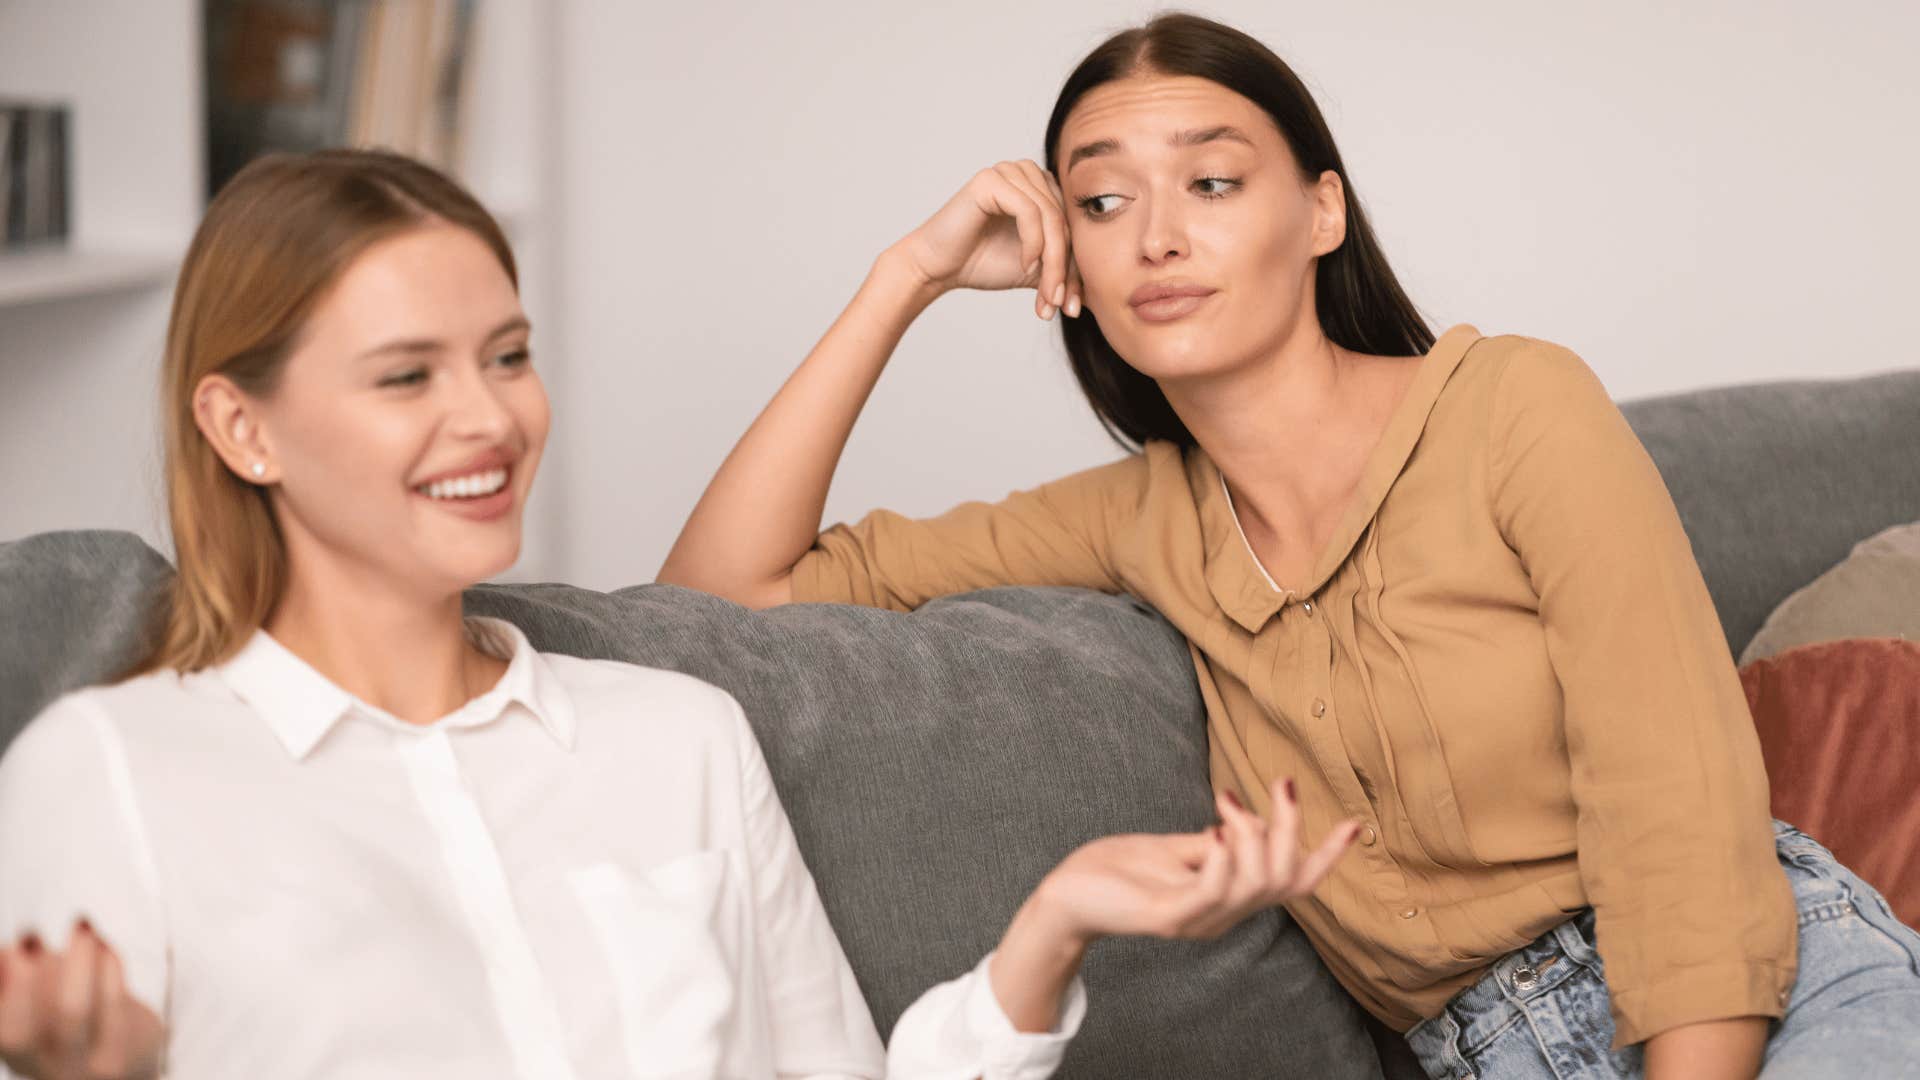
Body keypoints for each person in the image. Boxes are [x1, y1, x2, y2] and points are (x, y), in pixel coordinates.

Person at [658, 13, 1920, 1079]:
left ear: (1321, 212)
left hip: (1765, 997)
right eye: (1103, 201)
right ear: (1073, 265)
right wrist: (906, 278)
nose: (1156, 234)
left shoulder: (1516, 409)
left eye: (1212, 182)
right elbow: (719, 596)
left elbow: (1677, 809)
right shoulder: (1135, 518)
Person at [0, 148, 1355, 1080]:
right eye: (405, 376)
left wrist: (1053, 924)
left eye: (509, 356)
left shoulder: (674, 738)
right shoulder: (110, 769)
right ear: (243, 428)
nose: (489, 418)